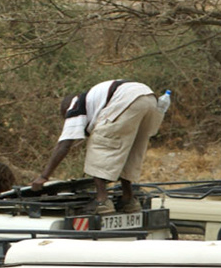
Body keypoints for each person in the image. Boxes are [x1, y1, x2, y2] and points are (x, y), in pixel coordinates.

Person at [30, 81, 171, 213]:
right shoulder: (95, 100)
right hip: (150, 100)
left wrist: (43, 176)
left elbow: (64, 145)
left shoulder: (75, 105)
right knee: (129, 150)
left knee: (98, 146)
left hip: (129, 99)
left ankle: (102, 200)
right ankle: (128, 199)